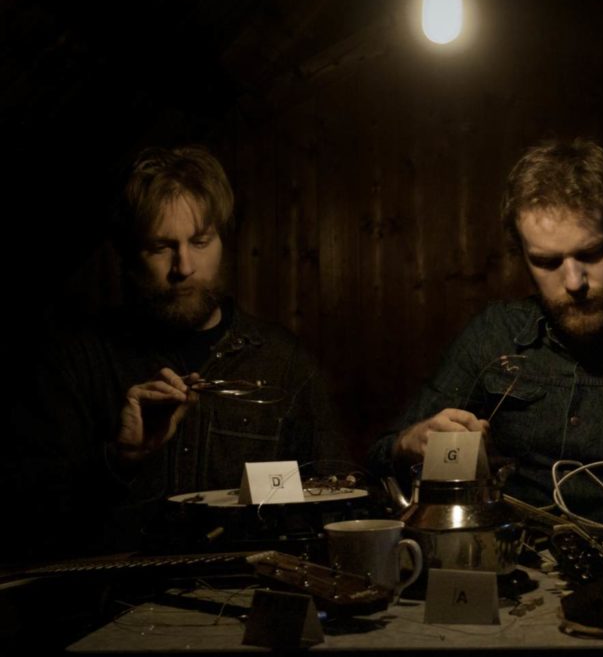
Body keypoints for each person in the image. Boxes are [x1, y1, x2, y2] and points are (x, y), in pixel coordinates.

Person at [7, 146, 348, 560]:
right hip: (110, 612)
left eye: (200, 241)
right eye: (161, 247)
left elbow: (333, 505)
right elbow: (28, 519)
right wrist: (121, 459)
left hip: (242, 605)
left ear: (222, 240)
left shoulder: (285, 364)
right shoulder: (77, 362)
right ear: (129, 255)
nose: (183, 266)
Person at [368, 138, 603, 526]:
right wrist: (411, 443)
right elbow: (379, 458)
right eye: (546, 261)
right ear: (520, 252)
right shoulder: (493, 334)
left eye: (591, 254)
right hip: (516, 556)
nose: (574, 282)